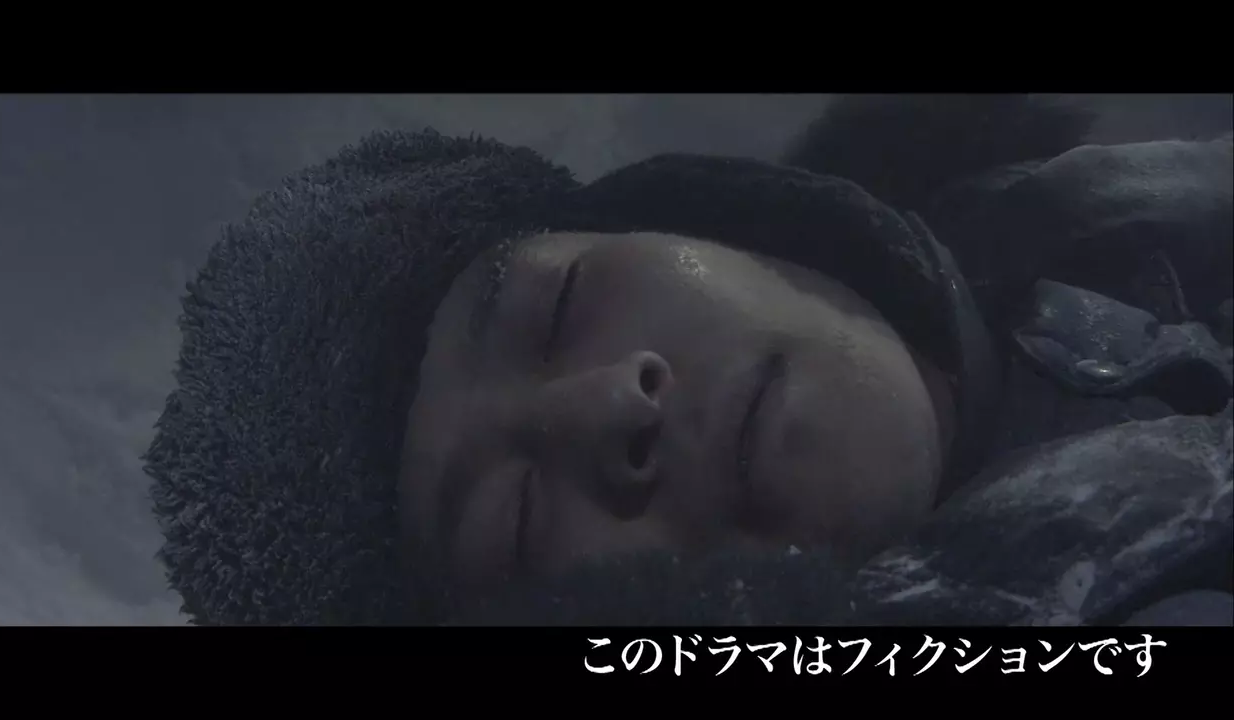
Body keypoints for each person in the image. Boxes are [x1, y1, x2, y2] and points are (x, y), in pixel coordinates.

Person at [144, 94, 1232, 627]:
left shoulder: (1087, 201)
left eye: (560, 305)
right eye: (513, 518)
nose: (610, 403)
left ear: (696, 219)